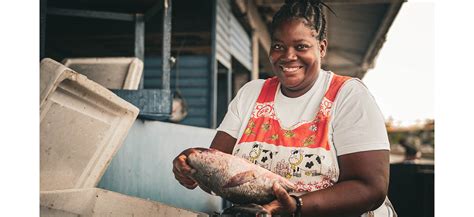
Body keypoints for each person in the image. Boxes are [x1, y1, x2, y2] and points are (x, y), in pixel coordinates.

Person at [173, 0, 396, 216]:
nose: (288, 56)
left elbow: (371, 188)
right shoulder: (251, 94)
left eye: (301, 46)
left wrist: (296, 205)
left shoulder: (348, 95)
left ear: (321, 48)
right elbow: (218, 163)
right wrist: (191, 164)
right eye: (279, 46)